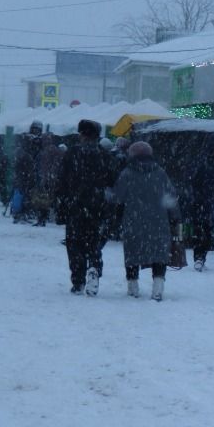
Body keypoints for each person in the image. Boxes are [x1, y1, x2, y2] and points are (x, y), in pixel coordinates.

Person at [109, 139, 179, 301]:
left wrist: (115, 218)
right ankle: (158, 287)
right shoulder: (160, 173)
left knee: (132, 254)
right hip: (158, 222)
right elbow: (171, 197)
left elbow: (118, 198)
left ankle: (133, 287)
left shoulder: (127, 173)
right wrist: (175, 218)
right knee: (159, 255)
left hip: (133, 222)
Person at [56, 119, 119, 295]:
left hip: (75, 206)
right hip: (97, 206)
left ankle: (78, 280)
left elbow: (61, 181)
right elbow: (113, 181)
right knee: (94, 242)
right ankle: (94, 268)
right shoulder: (105, 156)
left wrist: (62, 204)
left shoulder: (72, 154)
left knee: (74, 244)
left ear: (82, 135)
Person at [184, 137, 214, 271]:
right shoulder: (203, 162)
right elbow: (194, 182)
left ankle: (201, 257)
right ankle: (199, 257)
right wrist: (199, 197)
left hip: (211, 203)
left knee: (207, 232)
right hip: (201, 203)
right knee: (200, 231)